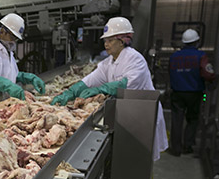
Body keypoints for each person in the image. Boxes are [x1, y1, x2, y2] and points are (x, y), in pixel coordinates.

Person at [52, 16, 168, 161]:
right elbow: (90, 80)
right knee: (130, 162)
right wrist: (71, 92)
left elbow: (127, 83)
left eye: (110, 40)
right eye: (105, 41)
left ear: (123, 41)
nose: (106, 44)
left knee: (142, 165)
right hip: (127, 116)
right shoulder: (108, 63)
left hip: (144, 117)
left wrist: (101, 89)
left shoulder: (135, 59)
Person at [0, 13, 46, 100]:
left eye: (16, 38)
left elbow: (9, 74)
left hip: (2, 100)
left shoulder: (8, 51)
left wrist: (27, 77)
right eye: (12, 36)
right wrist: (8, 85)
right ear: (2, 31)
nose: (13, 41)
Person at [167, 28, 216, 156]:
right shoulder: (201, 56)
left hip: (177, 92)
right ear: (196, 42)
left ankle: (175, 149)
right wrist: (212, 80)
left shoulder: (174, 56)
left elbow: (169, 73)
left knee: (176, 119)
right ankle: (187, 146)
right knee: (193, 119)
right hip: (194, 92)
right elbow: (208, 73)